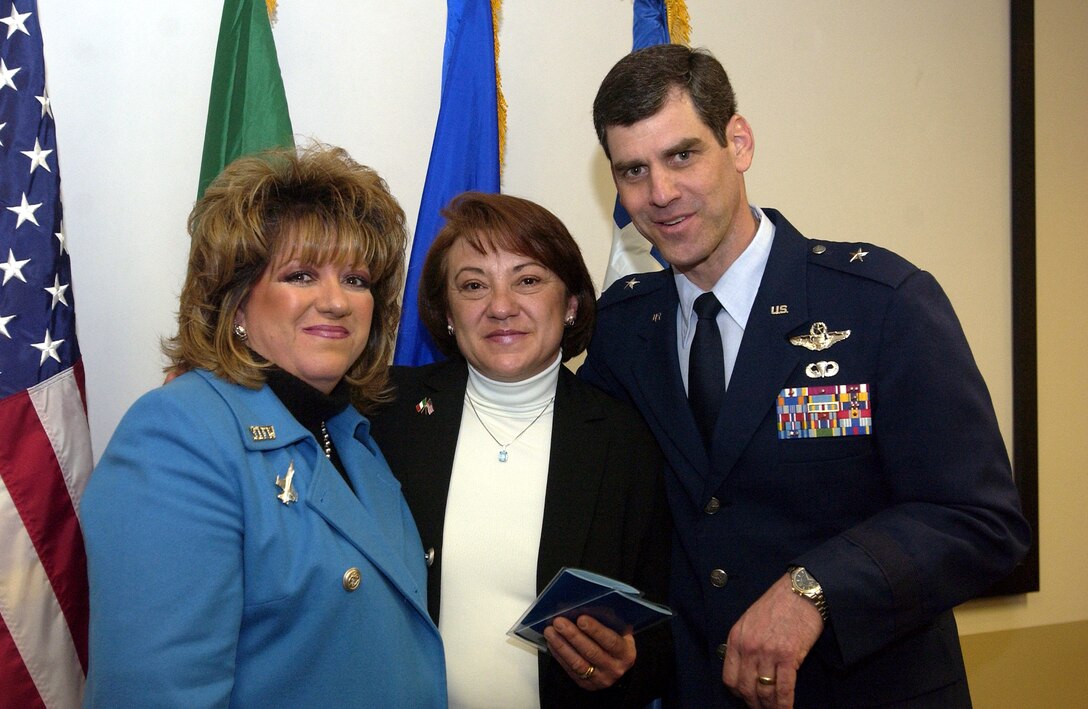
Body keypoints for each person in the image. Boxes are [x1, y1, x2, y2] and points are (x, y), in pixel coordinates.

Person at [580, 44, 1031, 708]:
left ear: (739, 142)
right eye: (633, 170)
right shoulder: (623, 329)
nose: (661, 193)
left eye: (682, 155)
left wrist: (816, 587)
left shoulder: (878, 302)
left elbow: (980, 519)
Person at [81, 145, 447, 707]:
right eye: (301, 275)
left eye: (356, 279)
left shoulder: (353, 434)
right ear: (237, 303)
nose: (336, 302)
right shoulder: (177, 436)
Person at [368, 191, 673, 708]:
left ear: (572, 303)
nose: (501, 307)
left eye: (528, 280)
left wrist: (626, 665)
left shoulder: (625, 439)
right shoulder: (382, 415)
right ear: (446, 312)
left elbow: (667, 627)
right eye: (473, 285)